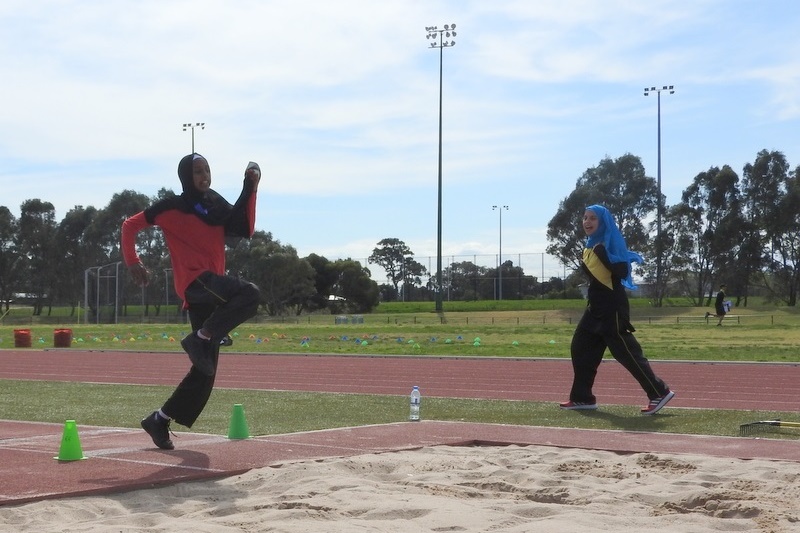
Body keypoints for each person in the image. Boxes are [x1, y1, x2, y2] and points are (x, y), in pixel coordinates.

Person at [121, 153, 261, 449]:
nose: (204, 174)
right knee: (250, 294)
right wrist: (132, 260)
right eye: (198, 170)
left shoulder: (214, 204)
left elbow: (244, 226)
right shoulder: (171, 206)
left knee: (204, 375)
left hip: (212, 294)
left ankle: (159, 419)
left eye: (207, 169)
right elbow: (129, 225)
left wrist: (251, 188)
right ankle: (205, 334)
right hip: (196, 284)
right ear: (186, 175)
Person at [560, 205, 675, 415]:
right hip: (595, 307)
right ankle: (582, 397)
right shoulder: (588, 246)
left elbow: (621, 270)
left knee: (626, 352)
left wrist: (603, 254)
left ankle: (659, 391)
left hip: (612, 306)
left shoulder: (609, 242)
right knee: (581, 347)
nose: (587, 222)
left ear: (603, 222)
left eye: (593, 218)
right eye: (585, 217)